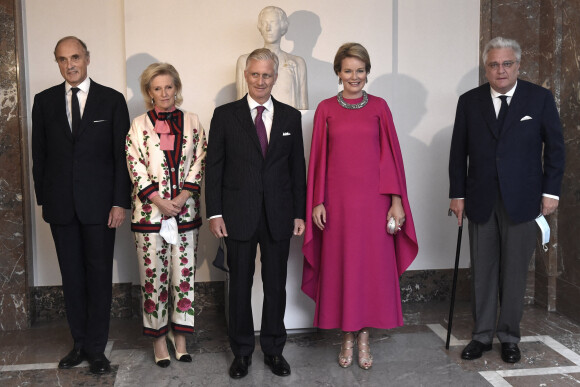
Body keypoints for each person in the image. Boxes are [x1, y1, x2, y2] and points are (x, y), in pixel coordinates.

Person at [301, 43, 418, 370]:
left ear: (368, 72)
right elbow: (319, 160)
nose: (355, 76)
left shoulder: (380, 107)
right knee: (343, 267)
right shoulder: (326, 108)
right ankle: (346, 337)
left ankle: (364, 337)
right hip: (337, 204)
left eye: (360, 70)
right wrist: (318, 201)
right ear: (338, 73)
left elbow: (391, 157)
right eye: (348, 70)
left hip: (374, 202)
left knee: (368, 270)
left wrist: (396, 202)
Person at [448, 37, 565, 363]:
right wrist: (457, 195)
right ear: (486, 67)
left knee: (515, 273)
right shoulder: (469, 101)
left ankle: (509, 337)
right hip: (480, 199)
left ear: (518, 64)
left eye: (507, 63)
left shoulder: (539, 99)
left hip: (525, 201)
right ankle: (482, 335)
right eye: (494, 64)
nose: (500, 70)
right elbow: (458, 153)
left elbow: (556, 149)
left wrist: (550, 192)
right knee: (483, 271)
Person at [31, 36, 130, 375]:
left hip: (102, 207)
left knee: (99, 276)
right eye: (62, 59)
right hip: (61, 207)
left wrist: (120, 202)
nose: (69, 64)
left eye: (75, 57)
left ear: (87, 58)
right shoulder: (43, 101)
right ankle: (79, 344)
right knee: (71, 277)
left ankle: (97, 349)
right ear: (56, 62)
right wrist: (44, 200)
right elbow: (39, 156)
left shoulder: (112, 100)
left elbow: (121, 157)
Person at [206, 48, 306, 379]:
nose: (260, 80)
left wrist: (299, 213)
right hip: (237, 215)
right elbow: (215, 169)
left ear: (275, 78)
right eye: (254, 74)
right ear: (246, 75)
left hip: (279, 215)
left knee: (276, 286)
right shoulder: (225, 115)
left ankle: (274, 350)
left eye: (266, 75)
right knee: (240, 287)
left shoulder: (291, 117)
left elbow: (297, 170)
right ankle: (242, 352)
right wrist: (215, 213)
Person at [126, 63, 207, 368]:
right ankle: (159, 340)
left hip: (185, 215)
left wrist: (183, 197)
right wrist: (159, 201)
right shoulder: (138, 125)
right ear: (149, 92)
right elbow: (134, 165)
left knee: (183, 276)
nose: (164, 93)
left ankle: (181, 337)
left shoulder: (193, 121)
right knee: (153, 279)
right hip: (149, 216)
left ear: (177, 88)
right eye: (157, 88)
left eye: (168, 86)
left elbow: (201, 159)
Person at [236, 6, 308, 110]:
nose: (268, 28)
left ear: (282, 26)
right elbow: (240, 106)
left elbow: (303, 108)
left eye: (273, 23)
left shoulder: (297, 63)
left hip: (288, 122)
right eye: (264, 23)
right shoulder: (244, 61)